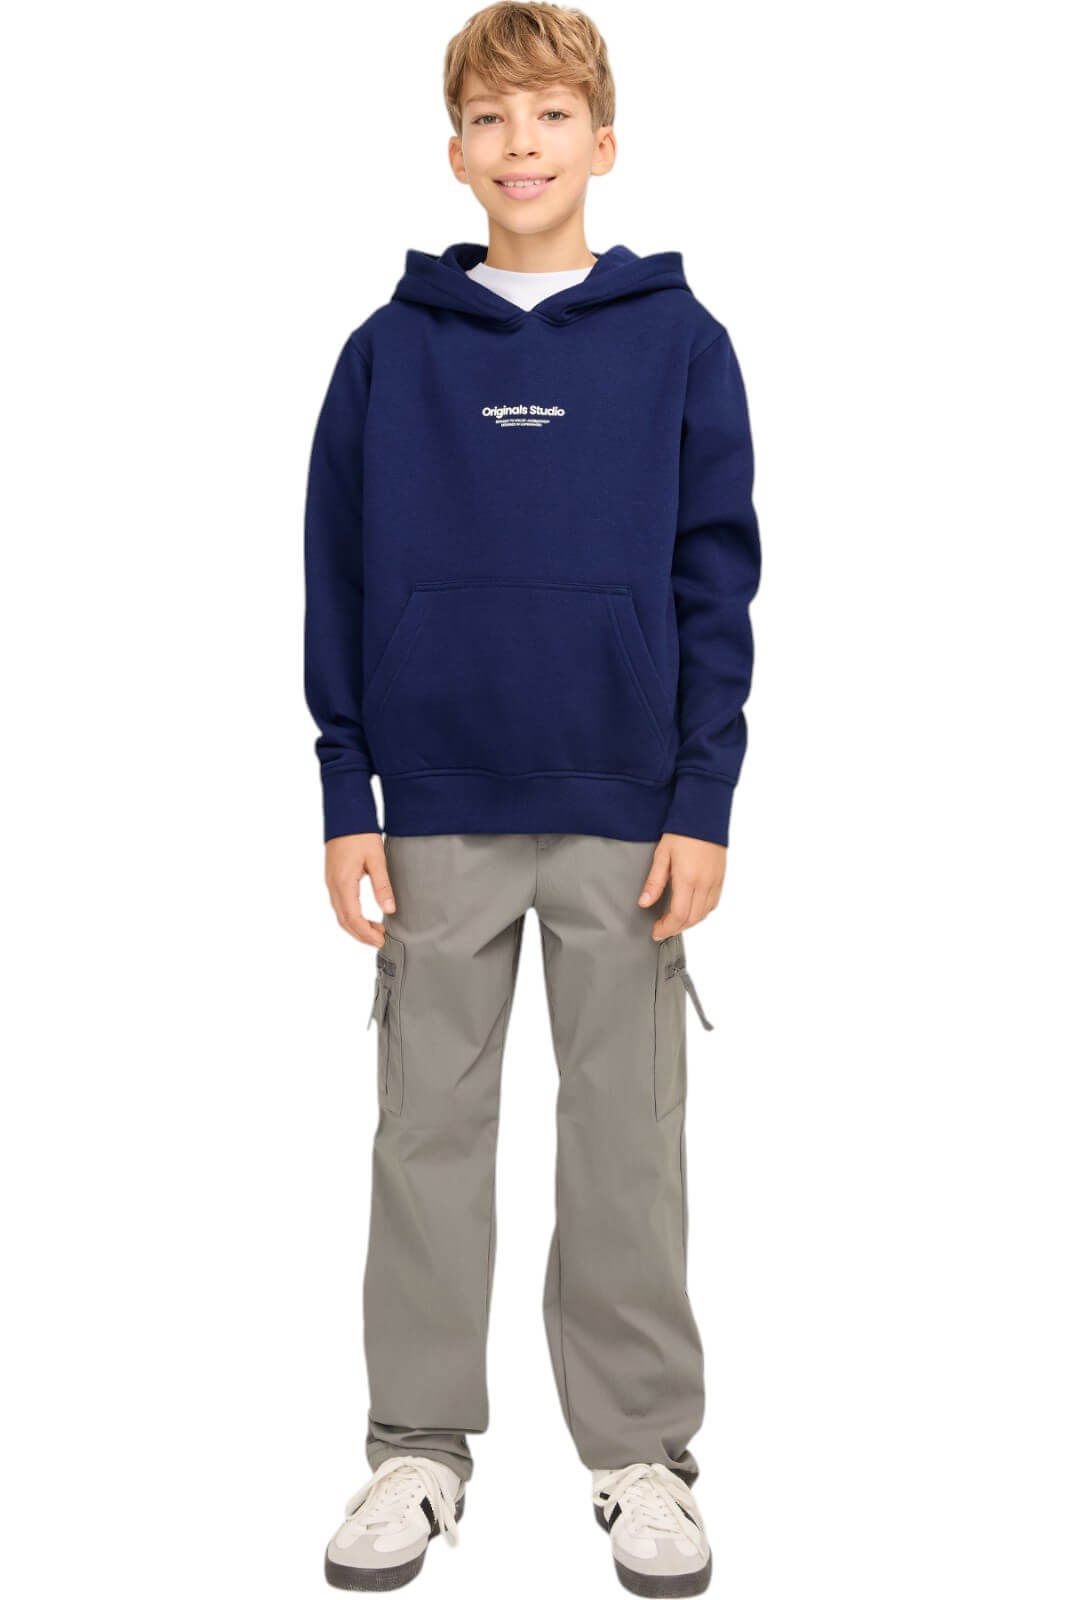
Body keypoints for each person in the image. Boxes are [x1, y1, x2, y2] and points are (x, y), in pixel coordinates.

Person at [303, 4, 760, 1593]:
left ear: (601, 143)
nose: (521, 145)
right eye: (492, 120)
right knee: (425, 1134)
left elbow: (715, 584)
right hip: (433, 802)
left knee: (625, 1142)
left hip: (627, 808)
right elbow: (335, 577)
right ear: (454, 153)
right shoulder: (389, 353)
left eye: (551, 116)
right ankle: (416, 1452)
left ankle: (640, 1456)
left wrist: (702, 798)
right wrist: (344, 790)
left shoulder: (678, 346)